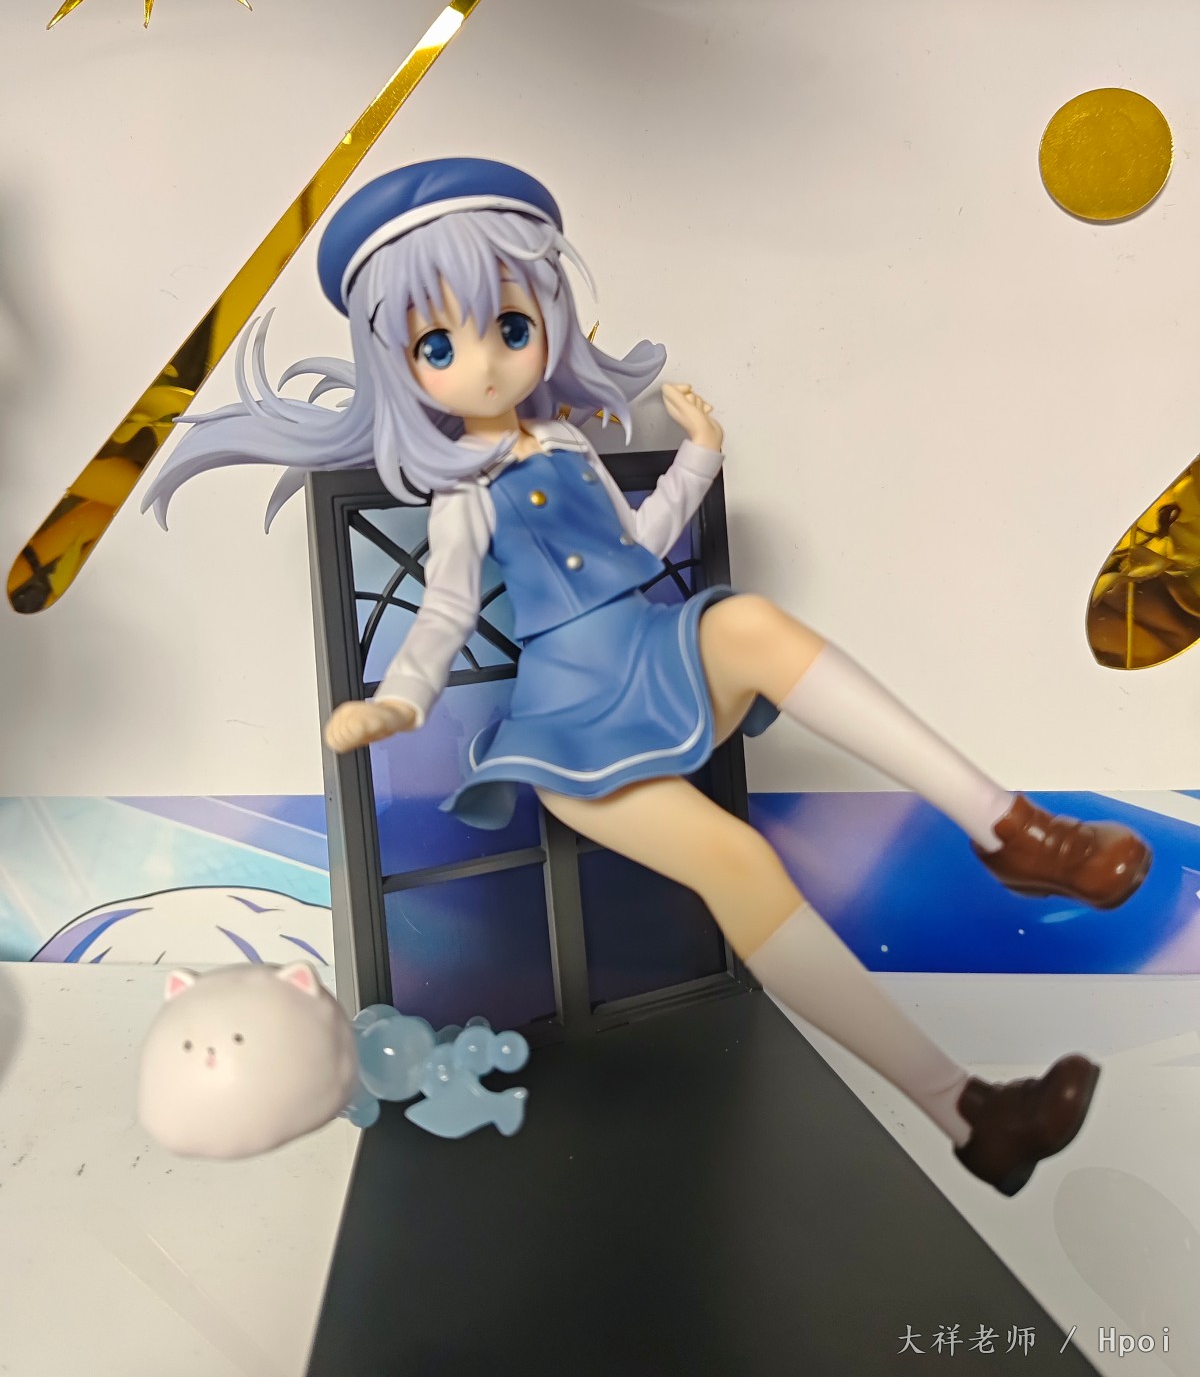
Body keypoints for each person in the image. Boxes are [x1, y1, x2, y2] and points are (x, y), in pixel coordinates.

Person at [145, 157, 1152, 1195]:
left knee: (748, 620)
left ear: (547, 317)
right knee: (740, 864)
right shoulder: (462, 496)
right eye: (438, 346)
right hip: (571, 725)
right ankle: (969, 1112)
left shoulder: (566, 443)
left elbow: (640, 542)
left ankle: (1012, 830)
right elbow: (443, 611)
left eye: (510, 325)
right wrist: (401, 699)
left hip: (656, 653)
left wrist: (700, 454)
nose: (484, 363)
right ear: (402, 369)